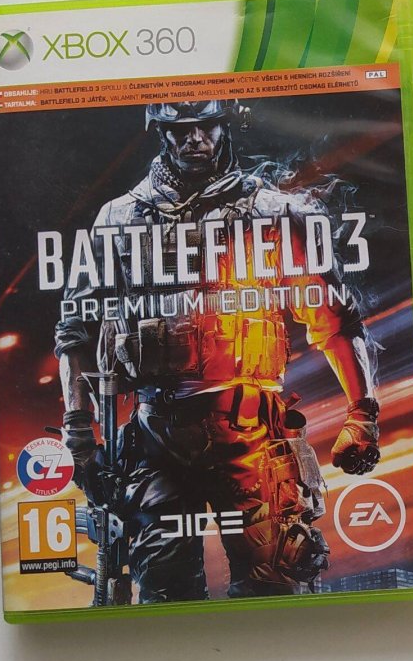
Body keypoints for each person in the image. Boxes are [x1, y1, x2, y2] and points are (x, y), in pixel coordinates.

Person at [55, 100, 380, 602]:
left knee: (274, 591)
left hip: (252, 435)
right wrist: (78, 433)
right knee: (164, 599)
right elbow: (76, 330)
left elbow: (335, 319)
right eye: (180, 128)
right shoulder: (118, 218)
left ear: (224, 126)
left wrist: (362, 413)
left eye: (205, 125)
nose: (194, 139)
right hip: (155, 439)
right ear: (161, 132)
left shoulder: (274, 211)